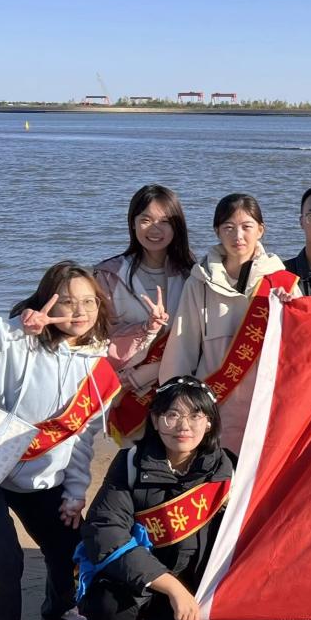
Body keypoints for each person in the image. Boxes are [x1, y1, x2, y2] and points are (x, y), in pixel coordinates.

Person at [0, 262, 121, 620]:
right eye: (68, 301)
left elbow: (81, 439)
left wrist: (75, 492)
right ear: (46, 302)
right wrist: (12, 329)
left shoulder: (97, 368)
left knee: (70, 541)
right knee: (1, 556)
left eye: (88, 302)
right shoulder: (13, 343)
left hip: (39, 474)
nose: (79, 311)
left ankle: (60, 605)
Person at [80, 376, 236, 620]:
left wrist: (217, 603)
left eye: (195, 415)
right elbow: (105, 529)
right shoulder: (130, 463)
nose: (183, 426)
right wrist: (171, 586)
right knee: (103, 604)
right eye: (172, 414)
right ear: (155, 419)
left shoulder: (229, 470)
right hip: (144, 587)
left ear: (209, 422)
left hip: (198, 596)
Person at [159, 193, 298, 454]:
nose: (238, 236)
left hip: (264, 407)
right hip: (213, 404)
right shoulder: (199, 282)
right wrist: (175, 404)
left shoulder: (282, 284)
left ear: (261, 230)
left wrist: (291, 311)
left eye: (247, 227)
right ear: (217, 231)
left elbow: (299, 352)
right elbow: (182, 346)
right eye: (229, 227)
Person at [95, 185, 195, 441]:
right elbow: (98, 338)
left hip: (178, 387)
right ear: (132, 223)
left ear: (177, 226)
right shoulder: (109, 275)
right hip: (124, 389)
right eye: (146, 220)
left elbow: (199, 340)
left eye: (165, 221)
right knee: (133, 457)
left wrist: (149, 373)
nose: (155, 229)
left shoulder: (192, 276)